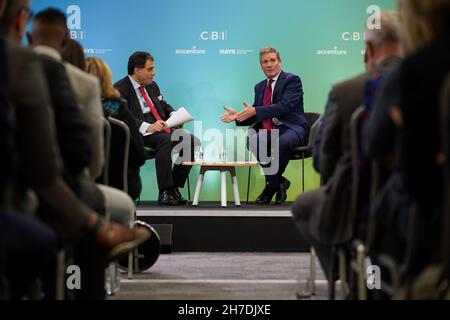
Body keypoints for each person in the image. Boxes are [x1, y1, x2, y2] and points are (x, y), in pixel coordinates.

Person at [291, 11, 402, 282]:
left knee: (303, 205)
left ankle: (349, 281)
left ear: (368, 49)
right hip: (422, 201)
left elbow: (323, 162)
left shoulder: (346, 91)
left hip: (357, 204)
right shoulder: (431, 83)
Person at [220, 46, 308, 205]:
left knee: (283, 141)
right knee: (254, 139)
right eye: (265, 62)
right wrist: (238, 116)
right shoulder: (260, 87)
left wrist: (255, 110)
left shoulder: (292, 80)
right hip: (270, 131)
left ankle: (270, 187)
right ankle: (279, 181)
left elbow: (284, 106)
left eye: (272, 60)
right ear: (261, 65)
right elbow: (256, 113)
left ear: (279, 62)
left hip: (291, 128)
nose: (269, 65)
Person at [114, 51, 199, 205]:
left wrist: (174, 114)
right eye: (150, 69)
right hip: (139, 132)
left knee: (191, 141)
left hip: (161, 126)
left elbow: (163, 104)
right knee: (166, 140)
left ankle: (174, 188)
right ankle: (165, 192)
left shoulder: (152, 86)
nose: (154, 73)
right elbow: (124, 117)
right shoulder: (120, 88)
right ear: (137, 70)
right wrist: (149, 127)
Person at [86, 56, 146, 201]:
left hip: (84, 188)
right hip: (122, 187)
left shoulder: (74, 110)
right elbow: (139, 155)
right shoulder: (119, 109)